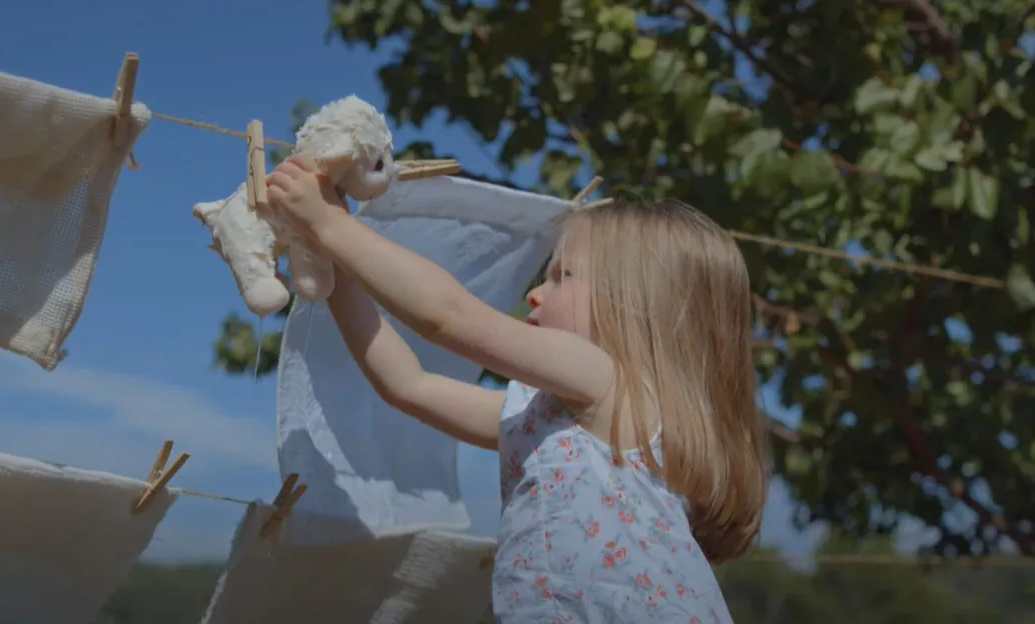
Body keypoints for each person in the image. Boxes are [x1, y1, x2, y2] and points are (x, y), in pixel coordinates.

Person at [266, 154, 767, 623]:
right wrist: (334, 268)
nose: (535, 292)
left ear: (636, 306)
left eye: (561, 276)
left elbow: (446, 316)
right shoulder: (547, 415)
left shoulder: (607, 384)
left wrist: (333, 226)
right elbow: (408, 386)